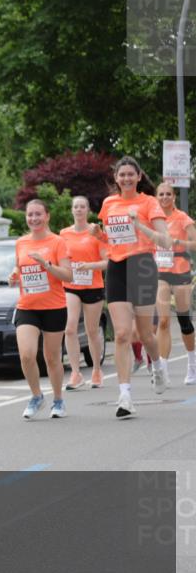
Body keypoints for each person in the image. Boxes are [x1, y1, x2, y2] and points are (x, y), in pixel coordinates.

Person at [89, 156, 172, 417]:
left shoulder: (149, 203)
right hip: (117, 267)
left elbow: (166, 241)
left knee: (145, 334)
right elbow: (111, 240)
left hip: (143, 266)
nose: (125, 178)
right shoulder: (109, 204)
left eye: (130, 174)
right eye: (121, 174)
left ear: (138, 177)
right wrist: (98, 235)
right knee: (123, 334)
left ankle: (158, 365)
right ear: (116, 178)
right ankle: (125, 395)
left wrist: (139, 225)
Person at [9, 199, 73, 419]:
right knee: (26, 355)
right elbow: (19, 267)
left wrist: (46, 265)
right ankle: (37, 396)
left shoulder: (57, 242)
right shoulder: (21, 243)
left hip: (54, 307)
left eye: (38, 214)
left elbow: (68, 275)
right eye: (30, 215)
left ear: (47, 216)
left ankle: (58, 400)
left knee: (52, 358)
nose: (33, 219)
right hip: (27, 306)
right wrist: (14, 275)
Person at [60, 195, 108, 390]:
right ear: (72, 210)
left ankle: (96, 369)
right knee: (70, 328)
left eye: (82, 207)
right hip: (71, 285)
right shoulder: (63, 234)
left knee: (91, 330)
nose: (79, 210)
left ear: (88, 211)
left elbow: (107, 261)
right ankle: (76, 373)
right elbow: (58, 258)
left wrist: (89, 266)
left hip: (93, 286)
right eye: (76, 207)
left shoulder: (96, 232)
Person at [153, 181, 196, 384]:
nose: (164, 198)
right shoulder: (151, 219)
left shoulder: (182, 218)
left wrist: (178, 243)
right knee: (163, 321)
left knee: (184, 320)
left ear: (174, 197)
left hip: (181, 272)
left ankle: (192, 363)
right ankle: (164, 371)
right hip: (160, 273)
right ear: (156, 197)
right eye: (161, 194)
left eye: (168, 194)